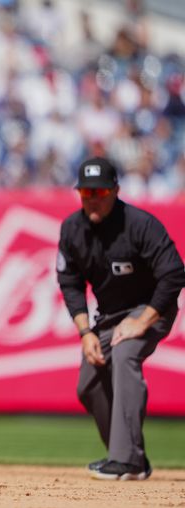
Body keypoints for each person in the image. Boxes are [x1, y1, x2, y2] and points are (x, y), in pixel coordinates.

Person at [56, 156, 185, 481]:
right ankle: (132, 458)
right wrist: (85, 332)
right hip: (110, 317)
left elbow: (173, 274)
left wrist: (144, 320)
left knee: (126, 354)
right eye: (86, 192)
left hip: (151, 307)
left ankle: (124, 460)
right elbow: (70, 282)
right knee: (89, 383)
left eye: (100, 192)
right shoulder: (72, 229)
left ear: (115, 190)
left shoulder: (139, 224)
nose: (93, 199)